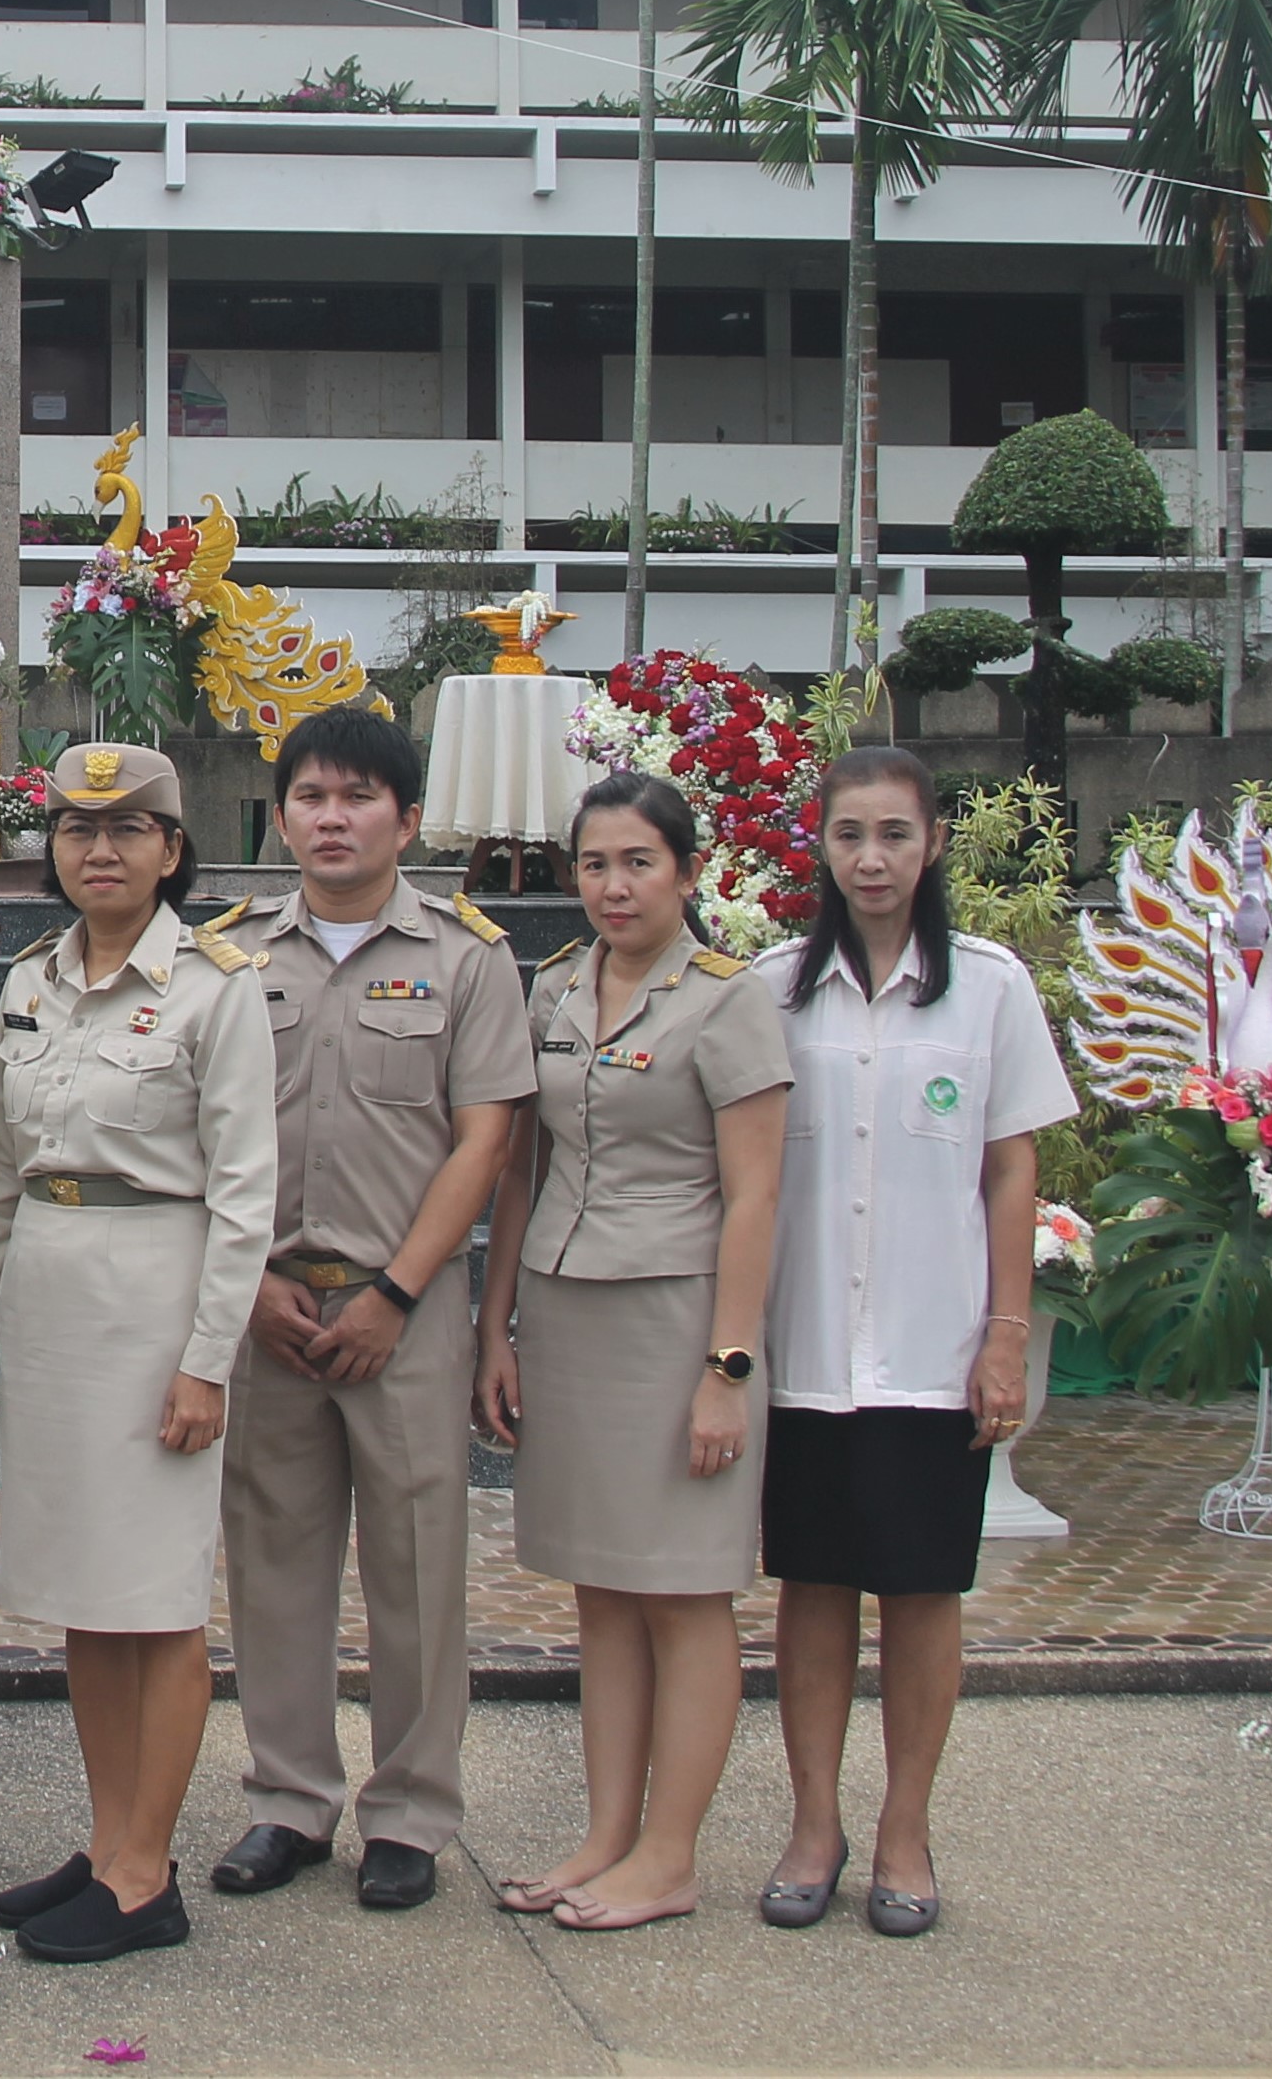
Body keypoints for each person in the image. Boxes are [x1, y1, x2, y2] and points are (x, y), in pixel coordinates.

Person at [209, 705, 533, 1917]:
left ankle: (409, 1813)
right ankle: (288, 1800)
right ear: (280, 813)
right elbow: (199, 1134)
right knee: (274, 1562)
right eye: (310, 797)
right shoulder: (231, 955)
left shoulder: (468, 958)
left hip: (407, 1310)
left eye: (358, 797)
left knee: (416, 1564)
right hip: (268, 1306)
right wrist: (246, 1286)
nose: (332, 818)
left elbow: (486, 1137)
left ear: (405, 817)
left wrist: (400, 1292)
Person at [0, 742, 275, 1965]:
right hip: (50, 1283)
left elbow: (247, 1194)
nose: (101, 851)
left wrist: (208, 1361)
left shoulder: (215, 989)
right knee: (87, 1599)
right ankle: (106, 1844)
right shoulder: (32, 982)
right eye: (80, 831)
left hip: (157, 1295)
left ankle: (148, 1876)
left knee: (155, 1603)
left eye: (129, 831)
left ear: (171, 852)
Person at [752, 748, 1075, 1939]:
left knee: (925, 1590)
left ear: (934, 841)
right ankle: (813, 1823)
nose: (871, 859)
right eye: (848, 836)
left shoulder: (989, 987)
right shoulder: (779, 988)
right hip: (809, 1349)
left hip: (934, 1353)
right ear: (821, 848)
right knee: (814, 1587)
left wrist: (1005, 1334)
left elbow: (1012, 1167)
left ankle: (905, 1830)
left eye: (893, 834)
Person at [476, 770, 792, 1934]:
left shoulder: (728, 999)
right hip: (566, 1313)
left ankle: (671, 1855)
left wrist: (730, 1367)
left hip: (676, 1320)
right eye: (595, 865)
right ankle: (608, 1836)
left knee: (685, 1593)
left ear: (689, 872)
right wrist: (494, 1323)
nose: (614, 886)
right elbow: (522, 1172)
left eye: (638, 863)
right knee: (602, 1592)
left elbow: (756, 1196)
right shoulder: (555, 985)